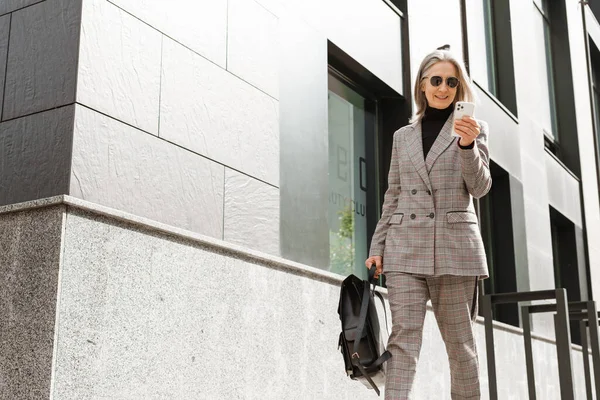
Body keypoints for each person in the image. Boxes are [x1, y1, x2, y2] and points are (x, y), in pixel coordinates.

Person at [364, 47, 491, 399]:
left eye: (452, 81)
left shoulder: (473, 130)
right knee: (402, 341)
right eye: (436, 80)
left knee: (460, 345)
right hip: (405, 249)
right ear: (422, 85)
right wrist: (378, 248)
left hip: (455, 252)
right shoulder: (402, 136)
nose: (444, 88)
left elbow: (480, 188)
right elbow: (394, 195)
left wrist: (468, 146)